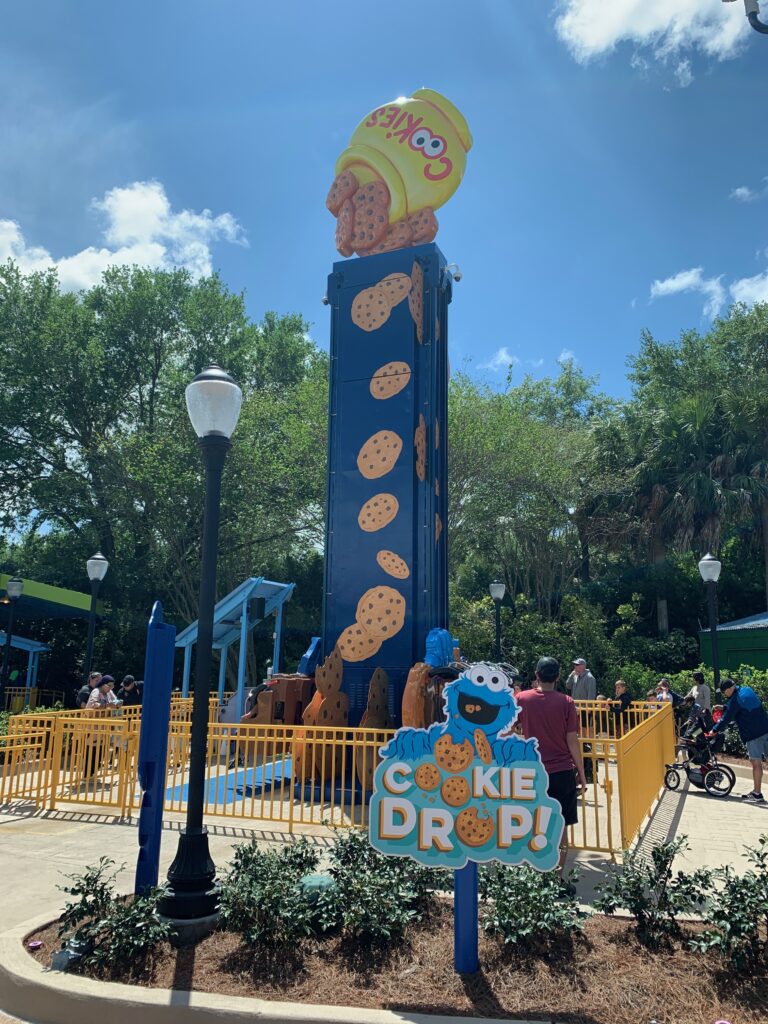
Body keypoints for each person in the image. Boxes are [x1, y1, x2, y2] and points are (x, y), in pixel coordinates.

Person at [515, 655, 588, 892]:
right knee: (561, 828)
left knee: (532, 825)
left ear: (536, 676)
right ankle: (556, 879)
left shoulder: (522, 699)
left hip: (532, 774)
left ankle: (534, 878)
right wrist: (583, 773)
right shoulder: (567, 702)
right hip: (561, 773)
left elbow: (506, 728)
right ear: (557, 677)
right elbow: (572, 740)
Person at [708, 678, 768, 804]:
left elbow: (725, 719)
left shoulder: (734, 701)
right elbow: (742, 705)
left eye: (725, 692)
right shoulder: (747, 689)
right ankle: (756, 793)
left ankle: (757, 794)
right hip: (765, 728)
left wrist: (713, 730)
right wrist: (725, 707)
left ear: (730, 689)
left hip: (753, 734)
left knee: (756, 763)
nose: (725, 694)